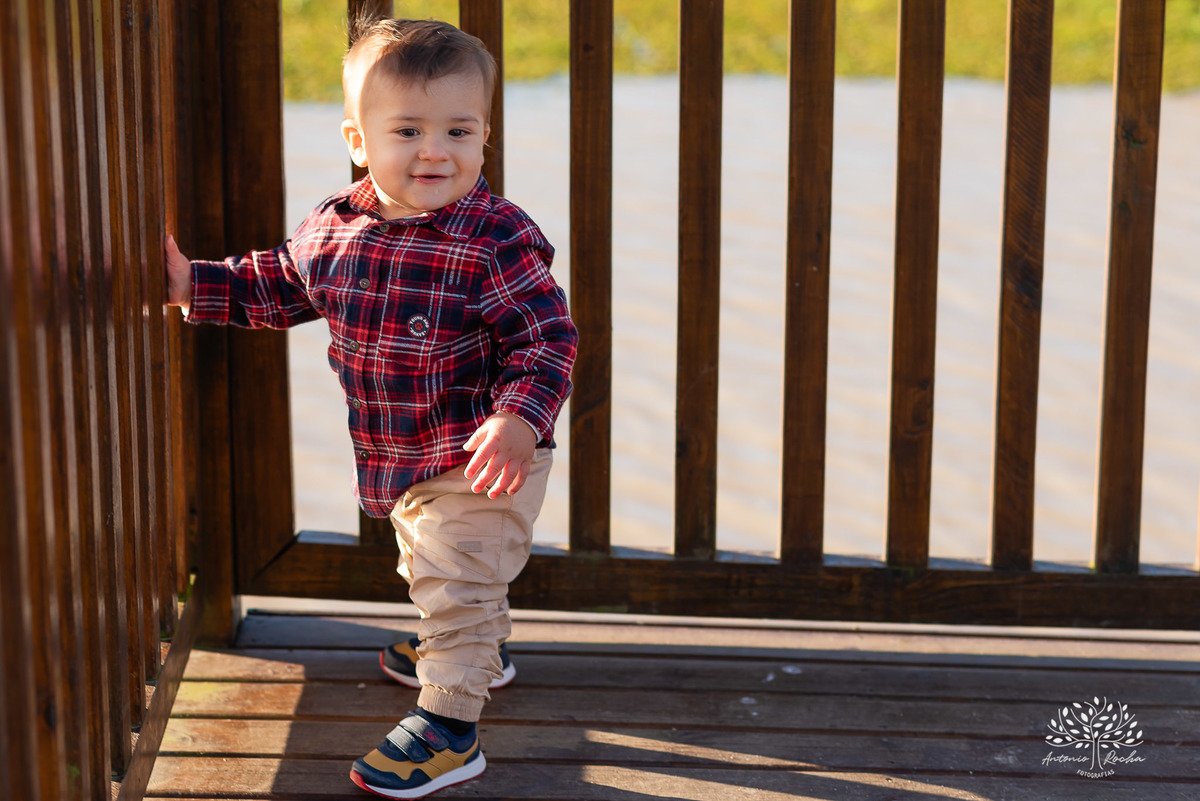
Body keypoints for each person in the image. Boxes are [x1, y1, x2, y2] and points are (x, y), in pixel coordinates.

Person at [165, 16, 577, 799]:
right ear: (359, 139)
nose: (436, 150)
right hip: (401, 450)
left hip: (484, 453)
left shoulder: (495, 237)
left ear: (484, 136)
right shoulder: (336, 227)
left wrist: (520, 417)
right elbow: (276, 286)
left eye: (460, 129)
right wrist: (192, 283)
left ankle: (452, 726)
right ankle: (472, 652)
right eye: (409, 130)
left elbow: (547, 338)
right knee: (438, 572)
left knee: (459, 581)